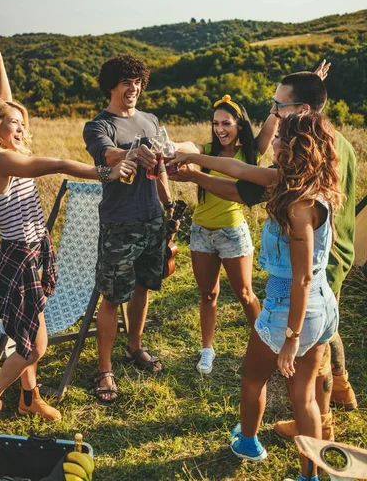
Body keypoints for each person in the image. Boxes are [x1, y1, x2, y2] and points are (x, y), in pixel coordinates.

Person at [170, 68, 357, 438]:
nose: (272, 114)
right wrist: (195, 173)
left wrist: (289, 336)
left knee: (301, 363)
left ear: (300, 110)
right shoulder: (331, 144)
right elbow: (242, 173)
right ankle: (338, 393)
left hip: (311, 271)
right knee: (319, 344)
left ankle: (322, 428)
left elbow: (244, 189)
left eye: (278, 106)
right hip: (334, 260)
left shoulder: (296, 180)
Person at [0, 35, 136, 435]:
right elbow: (58, 163)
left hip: (32, 252)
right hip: (19, 256)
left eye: (24, 124)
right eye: (16, 124)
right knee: (34, 345)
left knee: (31, 332)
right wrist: (106, 172)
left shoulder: (5, 146)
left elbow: (3, 103)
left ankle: (29, 398)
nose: (23, 129)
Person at [83, 53, 174, 405]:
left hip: (153, 218)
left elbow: (161, 168)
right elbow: (107, 156)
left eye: (137, 82)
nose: (133, 88)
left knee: (142, 287)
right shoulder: (98, 125)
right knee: (112, 297)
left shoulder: (151, 120)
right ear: (111, 86)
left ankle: (134, 347)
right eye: (126, 82)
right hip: (120, 222)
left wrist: (169, 207)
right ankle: (105, 368)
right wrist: (135, 153)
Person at [173, 96, 277, 374]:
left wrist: (288, 102)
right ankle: (207, 350)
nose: (220, 129)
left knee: (245, 294)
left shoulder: (251, 153)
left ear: (239, 125)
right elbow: (188, 146)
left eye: (226, 123)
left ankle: (266, 347)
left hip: (232, 233)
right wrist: (173, 147)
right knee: (208, 294)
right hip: (201, 233)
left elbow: (270, 125)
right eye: (216, 123)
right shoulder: (205, 151)